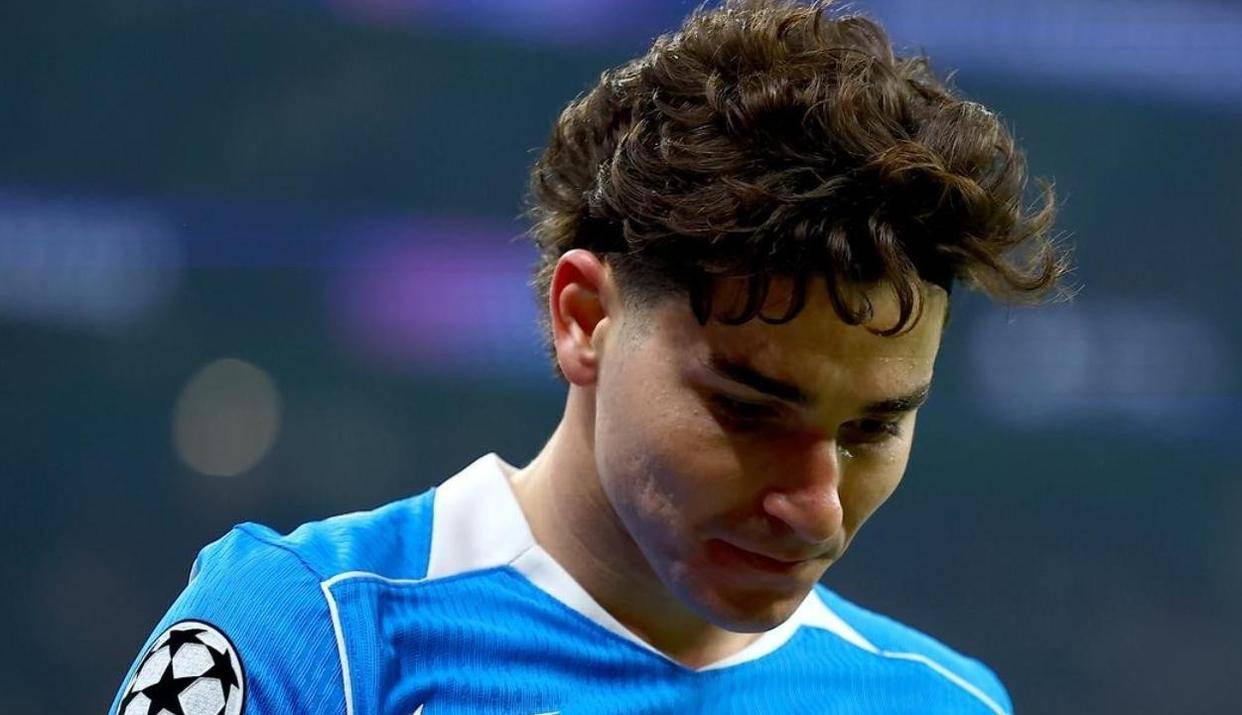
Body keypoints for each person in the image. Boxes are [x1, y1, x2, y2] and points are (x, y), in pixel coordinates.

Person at [110, 1, 1070, 713]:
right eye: (748, 409)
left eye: (873, 428)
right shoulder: (307, 638)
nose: (816, 506)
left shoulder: (942, 702)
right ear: (584, 318)